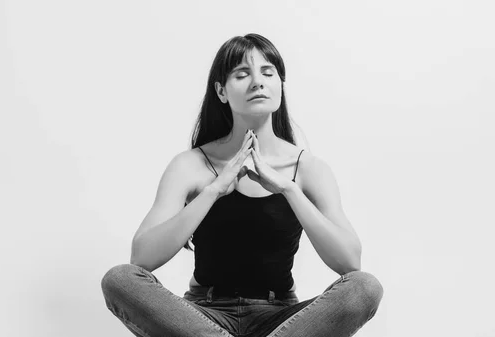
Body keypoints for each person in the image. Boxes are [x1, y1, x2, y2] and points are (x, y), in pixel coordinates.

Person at [101, 33, 383, 337]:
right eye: (242, 73)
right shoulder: (190, 165)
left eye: (267, 72)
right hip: (203, 316)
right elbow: (141, 259)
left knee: (364, 288)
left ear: (279, 86)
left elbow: (350, 263)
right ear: (221, 91)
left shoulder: (309, 169)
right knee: (119, 279)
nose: (257, 82)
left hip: (280, 320)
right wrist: (212, 191)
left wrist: (288, 190)